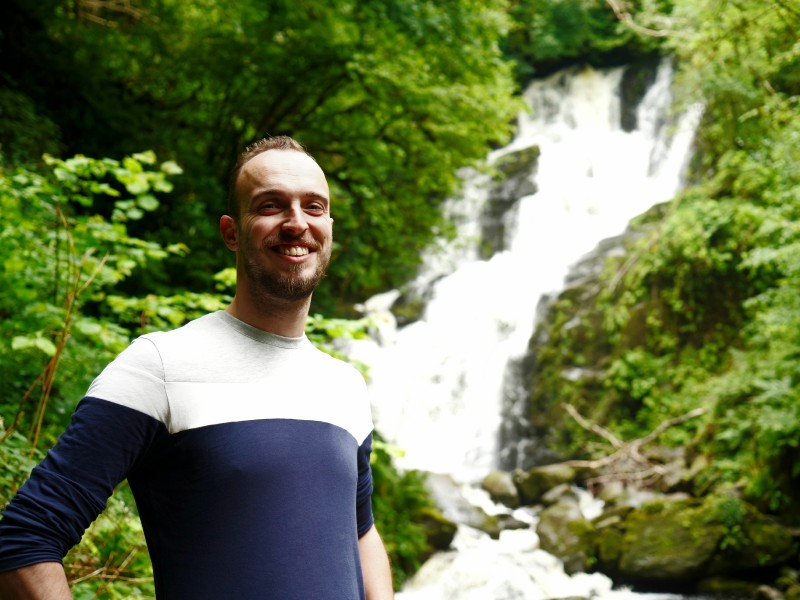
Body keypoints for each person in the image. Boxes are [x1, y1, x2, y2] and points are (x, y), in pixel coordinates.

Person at [0, 135, 394, 599]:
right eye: (271, 205)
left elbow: (361, 532)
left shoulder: (343, 385)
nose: (295, 223)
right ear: (231, 231)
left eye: (313, 207)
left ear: (329, 225)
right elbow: (24, 539)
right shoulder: (160, 366)